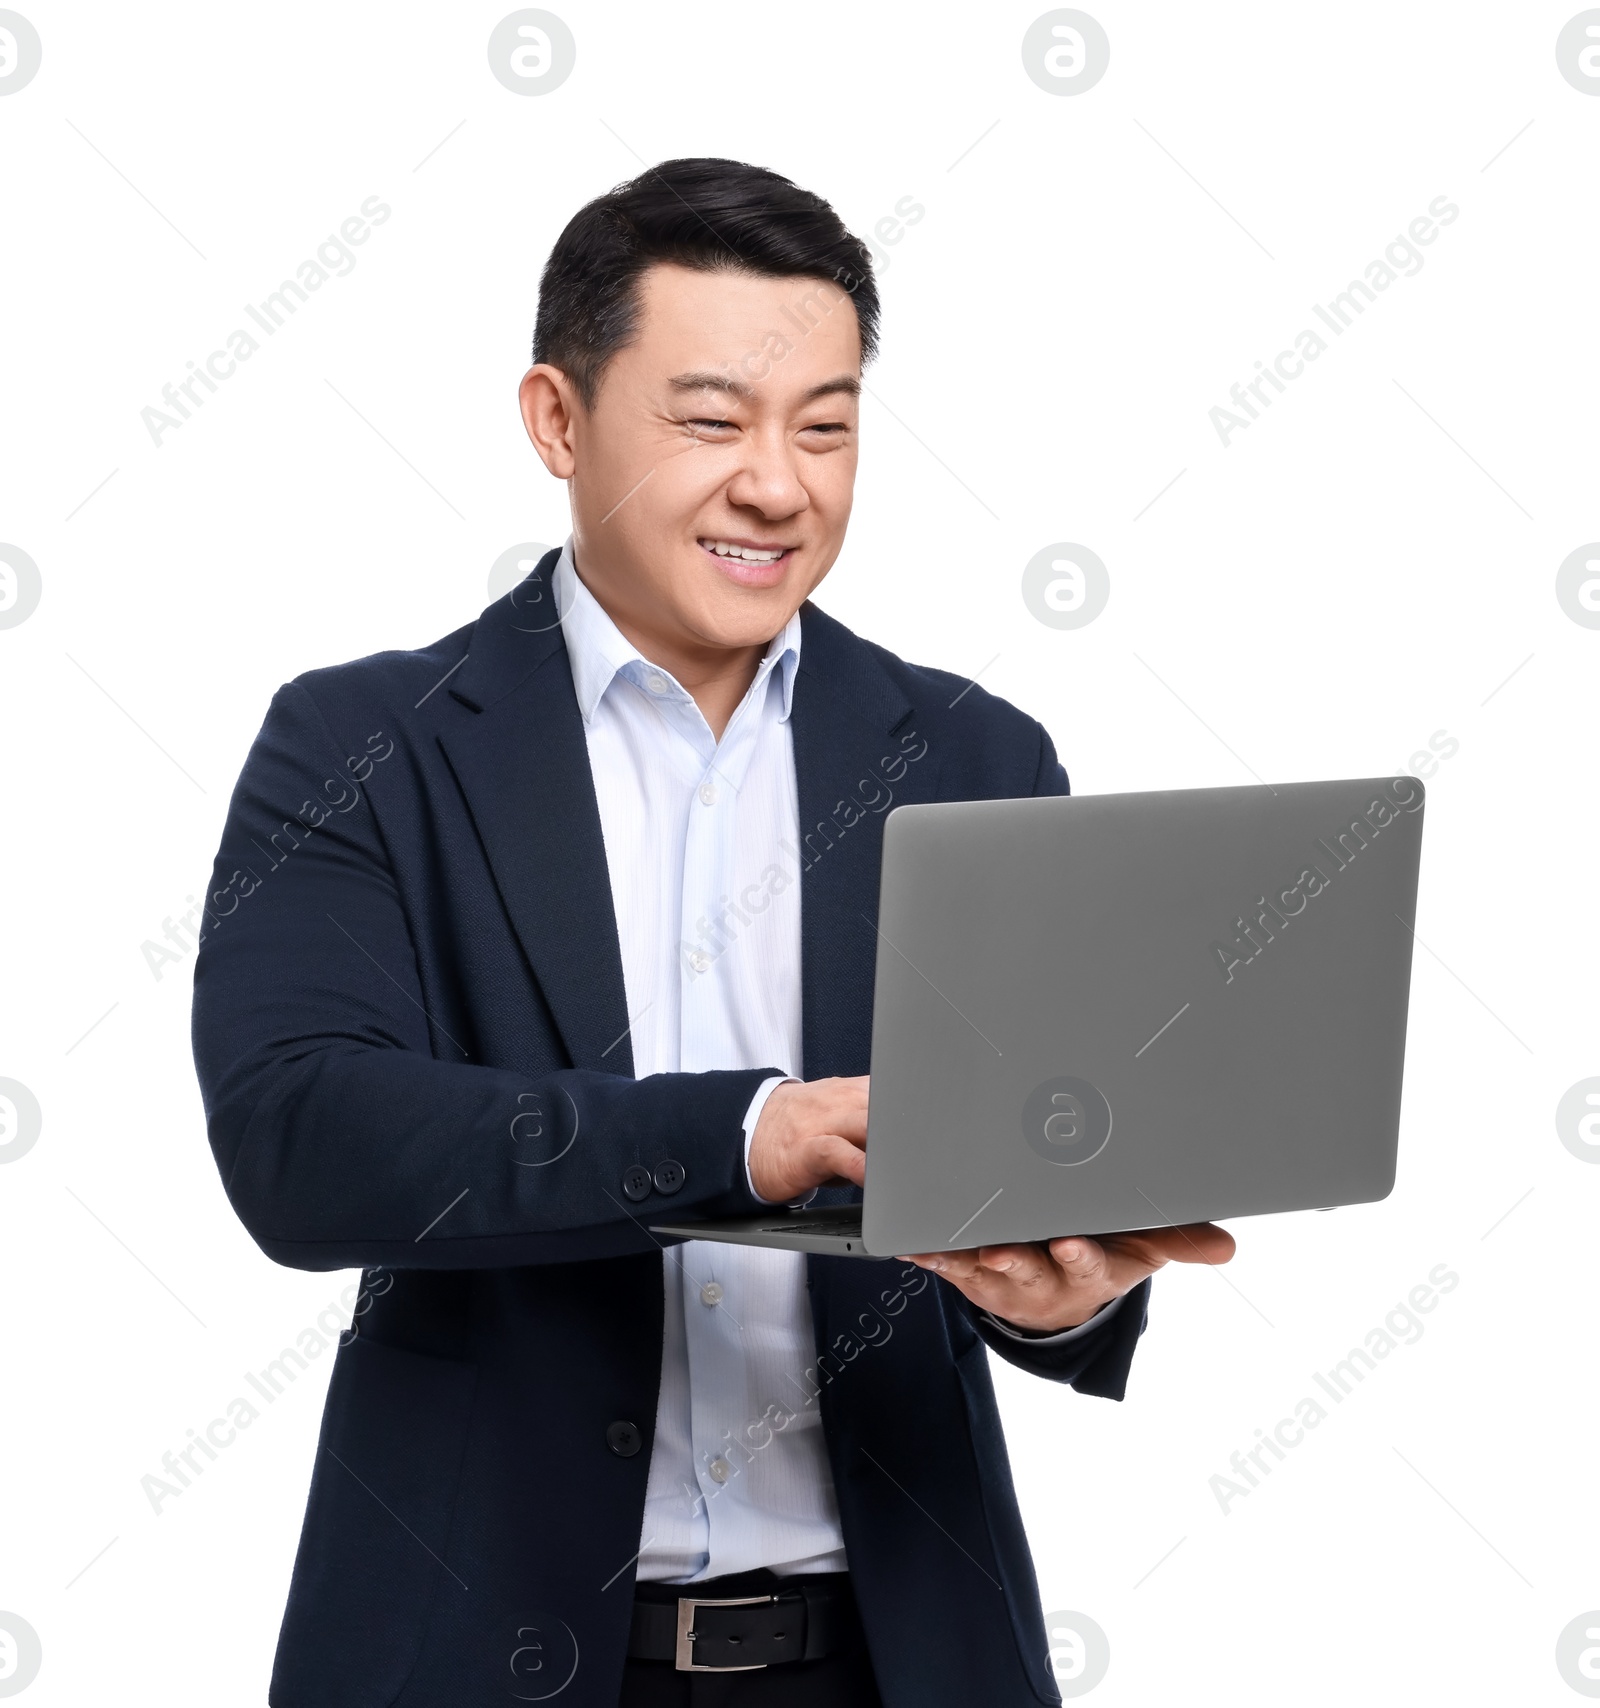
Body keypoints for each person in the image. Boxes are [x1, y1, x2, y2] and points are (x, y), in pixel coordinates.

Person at [192, 156, 1234, 1708]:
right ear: (557, 419)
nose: (778, 484)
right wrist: (747, 1138)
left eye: (825, 425)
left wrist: (1072, 1292)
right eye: (710, 421)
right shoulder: (369, 743)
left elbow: (1047, 1158)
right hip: (476, 1655)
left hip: (894, 1658)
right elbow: (303, 1140)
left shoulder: (972, 759)